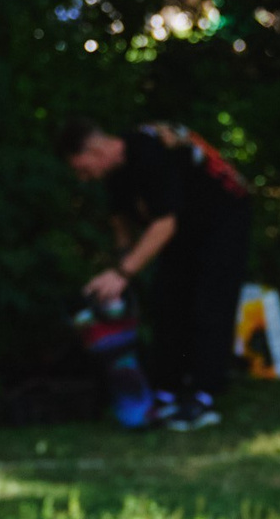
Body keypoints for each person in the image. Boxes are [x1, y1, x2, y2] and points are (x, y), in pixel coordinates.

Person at [60, 116, 252, 431]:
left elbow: (165, 224)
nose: (83, 178)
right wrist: (122, 272)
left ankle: (203, 396)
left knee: (209, 303)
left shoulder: (150, 152)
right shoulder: (115, 174)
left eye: (81, 168)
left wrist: (122, 274)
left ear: (94, 150)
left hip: (222, 219)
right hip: (183, 227)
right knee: (167, 300)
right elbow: (121, 224)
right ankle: (166, 390)